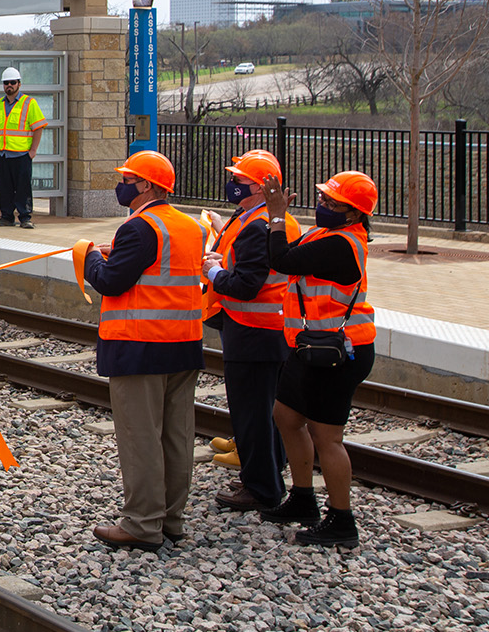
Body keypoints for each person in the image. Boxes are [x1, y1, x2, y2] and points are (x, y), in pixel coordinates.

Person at [83, 150, 207, 552]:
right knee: (176, 434)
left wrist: (90, 260)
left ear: (148, 186)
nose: (122, 185)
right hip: (183, 343)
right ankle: (171, 518)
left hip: (140, 345)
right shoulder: (188, 226)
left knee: (141, 436)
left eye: (129, 179)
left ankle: (142, 522)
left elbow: (113, 282)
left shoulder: (139, 228)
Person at [258, 170, 377, 549]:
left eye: (331, 203)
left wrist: (276, 216)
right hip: (310, 347)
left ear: (354, 214)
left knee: (328, 437)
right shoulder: (328, 234)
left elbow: (282, 259)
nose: (321, 205)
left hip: (337, 353)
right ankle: (304, 498)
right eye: (323, 198)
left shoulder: (342, 245)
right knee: (287, 416)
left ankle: (342, 521)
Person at [201, 150, 299, 513]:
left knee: (252, 414)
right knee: (268, 411)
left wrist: (212, 272)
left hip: (252, 330)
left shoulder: (258, 226)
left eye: (239, 182)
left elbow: (246, 284)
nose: (233, 186)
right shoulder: (272, 220)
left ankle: (261, 487)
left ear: (259, 188)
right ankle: (271, 474)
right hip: (272, 329)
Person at [0, 68, 45, 229]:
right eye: (6, 83)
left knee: (23, 188)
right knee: (4, 188)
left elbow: (38, 127)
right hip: (3, 154)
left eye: (13, 82)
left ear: (19, 83)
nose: (9, 86)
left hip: (21, 155)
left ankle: (25, 217)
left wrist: (32, 151)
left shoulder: (29, 103)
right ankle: (6, 217)